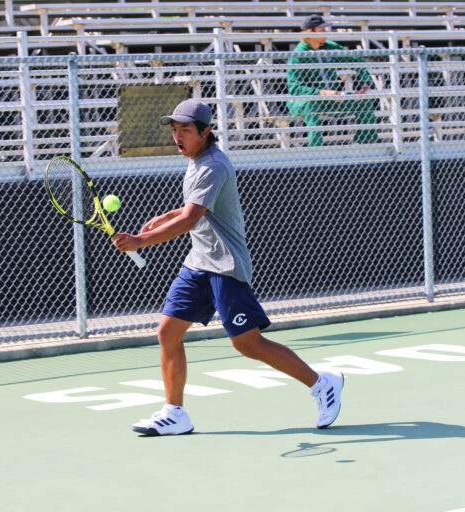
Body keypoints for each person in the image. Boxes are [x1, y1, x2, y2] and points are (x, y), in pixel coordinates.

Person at [111, 98, 345, 436]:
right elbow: (194, 207)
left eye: (185, 131)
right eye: (175, 130)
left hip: (224, 266)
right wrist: (167, 215)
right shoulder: (196, 160)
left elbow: (192, 218)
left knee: (248, 344)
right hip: (197, 265)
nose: (178, 137)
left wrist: (139, 242)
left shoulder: (213, 165)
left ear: (205, 132)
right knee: (168, 332)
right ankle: (174, 413)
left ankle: (321, 383)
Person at [286, 14, 379, 146]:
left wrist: (365, 85)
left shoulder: (329, 47)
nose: (326, 33)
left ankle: (363, 143)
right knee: (311, 104)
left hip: (330, 99)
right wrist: (322, 92)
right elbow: (295, 89)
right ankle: (316, 148)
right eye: (322, 30)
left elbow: (355, 58)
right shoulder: (298, 54)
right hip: (302, 102)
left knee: (363, 102)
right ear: (309, 32)